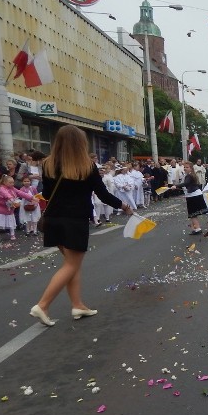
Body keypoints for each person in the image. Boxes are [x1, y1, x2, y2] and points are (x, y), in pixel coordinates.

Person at [30, 125, 132, 326]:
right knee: (71, 264)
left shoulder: (49, 164)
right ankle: (42, 305)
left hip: (53, 219)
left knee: (72, 264)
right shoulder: (86, 165)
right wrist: (123, 205)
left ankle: (78, 304)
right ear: (81, 143)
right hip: (74, 219)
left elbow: (48, 194)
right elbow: (102, 194)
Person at [0, 175, 33, 240]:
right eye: (10, 183)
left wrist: (31, 197)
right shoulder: (2, 188)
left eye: (13, 182)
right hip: (1, 209)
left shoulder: (13, 188)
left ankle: (12, 234)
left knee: (11, 222)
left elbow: (20, 193)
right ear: (4, 182)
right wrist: (11, 198)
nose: (12, 184)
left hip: (10, 209)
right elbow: (5, 194)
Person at [173, 161, 207, 235]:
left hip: (193, 196)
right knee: (193, 214)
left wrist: (176, 186)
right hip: (195, 195)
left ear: (191, 168)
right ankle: (195, 228)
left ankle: (197, 229)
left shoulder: (189, 176)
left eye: (187, 167)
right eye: (184, 167)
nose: (185, 168)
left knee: (192, 214)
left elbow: (186, 183)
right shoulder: (192, 175)